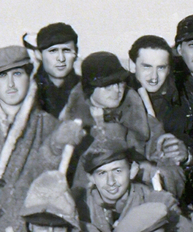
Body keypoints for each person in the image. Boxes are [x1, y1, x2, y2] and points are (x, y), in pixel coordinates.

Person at [0, 45, 62, 232]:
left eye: (17, 74)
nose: (10, 84)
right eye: (1, 76)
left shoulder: (48, 126)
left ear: (29, 76)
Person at [72, 138, 193, 232]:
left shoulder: (151, 199)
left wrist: (168, 213)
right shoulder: (81, 206)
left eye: (117, 171)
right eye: (102, 173)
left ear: (133, 171)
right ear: (91, 178)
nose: (111, 181)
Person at [121, 34, 193, 199]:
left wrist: (187, 156)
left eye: (161, 68)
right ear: (132, 65)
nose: (153, 77)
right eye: (146, 67)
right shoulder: (117, 98)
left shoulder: (185, 106)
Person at [55, 51, 145, 185]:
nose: (117, 90)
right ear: (90, 88)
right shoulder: (70, 128)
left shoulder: (140, 119)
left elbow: (168, 169)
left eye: (120, 83)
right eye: (108, 85)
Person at [32, 22, 80, 118]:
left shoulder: (85, 89)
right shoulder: (28, 89)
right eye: (53, 51)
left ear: (76, 52)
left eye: (66, 50)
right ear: (39, 54)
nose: (61, 58)